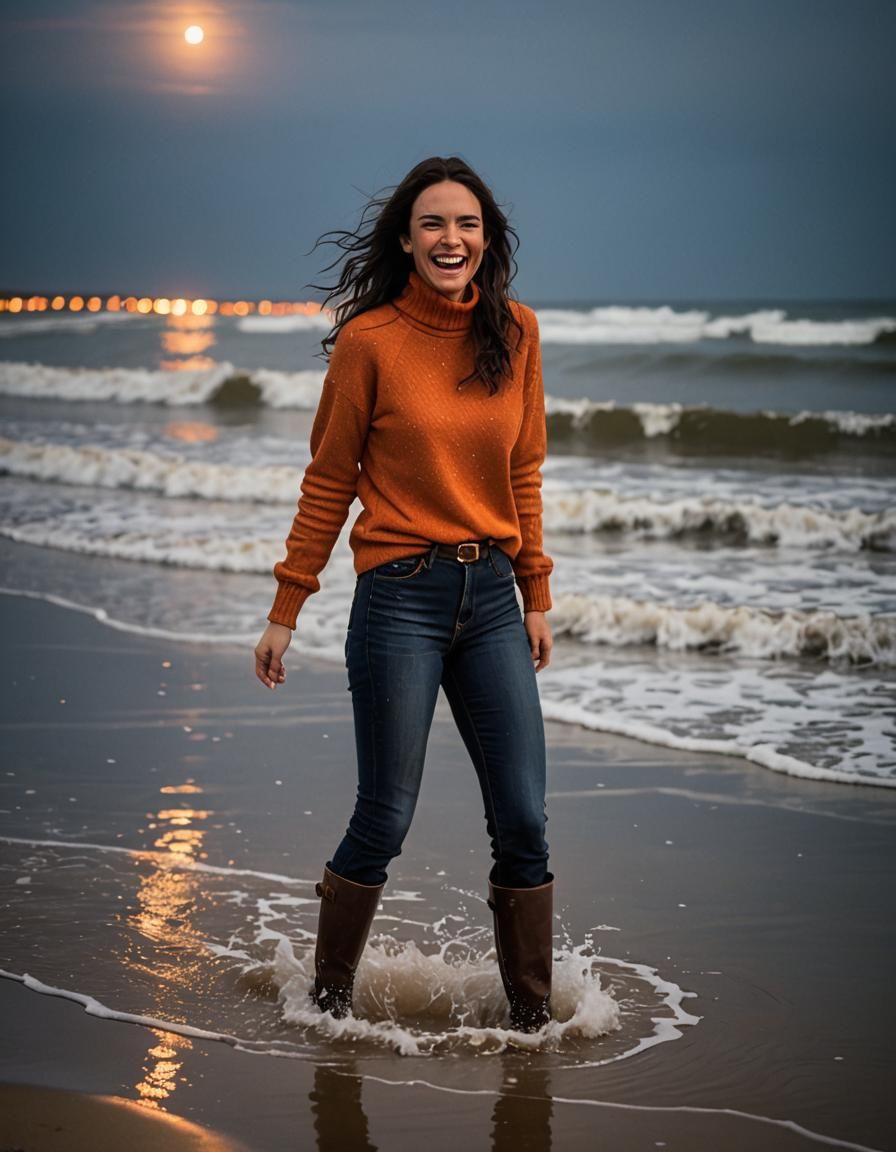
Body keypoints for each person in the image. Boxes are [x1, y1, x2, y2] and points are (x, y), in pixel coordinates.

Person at [254, 156, 554, 1033]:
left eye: (465, 224)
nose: (449, 239)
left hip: (494, 597)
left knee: (525, 820)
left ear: (486, 240)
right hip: (400, 598)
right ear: (405, 239)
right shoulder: (371, 342)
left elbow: (525, 473)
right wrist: (286, 609)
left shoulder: (520, 334)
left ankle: (535, 1025)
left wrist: (535, 589)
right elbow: (327, 481)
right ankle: (330, 1007)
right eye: (432, 224)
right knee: (383, 817)